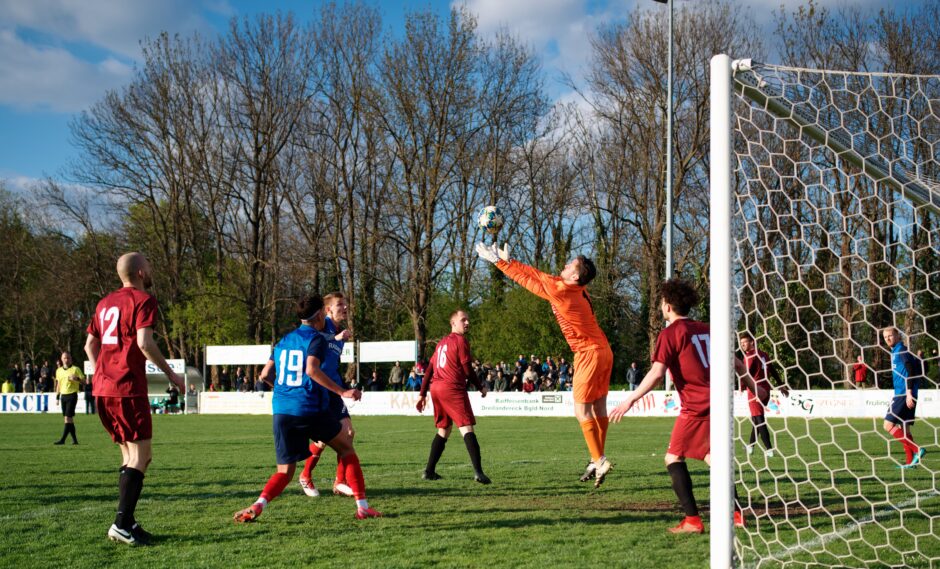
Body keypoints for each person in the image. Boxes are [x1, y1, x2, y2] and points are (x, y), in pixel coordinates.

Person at [610, 279, 759, 534]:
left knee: (673, 457)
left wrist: (630, 399)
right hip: (720, 402)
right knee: (713, 458)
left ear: (667, 306)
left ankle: (692, 520)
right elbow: (737, 364)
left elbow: (657, 373)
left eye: (660, 303)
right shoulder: (708, 328)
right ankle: (735, 514)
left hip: (696, 407)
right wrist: (758, 389)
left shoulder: (670, 334)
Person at [477, 243, 614, 487]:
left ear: (574, 275)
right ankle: (596, 458)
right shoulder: (578, 289)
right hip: (604, 350)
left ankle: (599, 459)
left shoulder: (561, 291)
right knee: (599, 407)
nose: (564, 264)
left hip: (588, 353)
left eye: (569, 264)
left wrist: (499, 263)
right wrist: (510, 261)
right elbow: (540, 278)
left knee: (581, 411)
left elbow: (531, 281)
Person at [233, 295, 380, 522]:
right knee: (347, 449)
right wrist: (342, 391)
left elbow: (264, 375)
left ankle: (258, 505)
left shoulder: (283, 340)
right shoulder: (316, 339)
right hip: (309, 408)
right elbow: (312, 370)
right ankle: (362, 507)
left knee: (284, 472)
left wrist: (285, 390)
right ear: (321, 313)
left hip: (282, 410)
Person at [84, 252, 184, 545]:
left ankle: (127, 521)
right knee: (140, 457)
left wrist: (102, 369)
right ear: (141, 272)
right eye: (149, 265)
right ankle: (120, 523)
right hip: (126, 388)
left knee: (133, 456)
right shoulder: (143, 301)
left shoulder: (104, 303)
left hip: (103, 389)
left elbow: (90, 344)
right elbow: (144, 342)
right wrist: (172, 376)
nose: (151, 270)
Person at [416, 310, 491, 484]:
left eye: (468, 320)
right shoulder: (460, 340)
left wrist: (422, 393)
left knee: (444, 430)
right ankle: (479, 473)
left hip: (436, 388)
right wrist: (480, 387)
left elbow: (429, 370)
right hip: (451, 388)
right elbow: (467, 369)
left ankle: (429, 471)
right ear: (453, 323)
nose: (467, 323)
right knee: (466, 428)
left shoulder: (441, 343)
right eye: (463, 320)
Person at [298, 292, 357, 499]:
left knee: (348, 433)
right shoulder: (323, 327)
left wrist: (346, 388)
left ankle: (339, 482)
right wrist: (335, 337)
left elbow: (332, 363)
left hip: (333, 390)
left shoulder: (338, 330)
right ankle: (305, 475)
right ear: (328, 310)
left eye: (345, 304)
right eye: (340, 305)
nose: (345, 308)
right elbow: (312, 338)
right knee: (326, 439)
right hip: (320, 391)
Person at [738, 332, 789, 458]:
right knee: (756, 419)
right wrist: (781, 385)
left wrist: (742, 386)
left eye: (745, 342)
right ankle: (750, 446)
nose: (742, 345)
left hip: (755, 390)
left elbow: (746, 373)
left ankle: (769, 449)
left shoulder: (749, 356)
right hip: (766, 390)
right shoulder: (763, 354)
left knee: (759, 420)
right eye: (741, 343)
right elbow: (772, 369)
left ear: (752, 342)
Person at [882, 327, 926, 468]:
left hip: (903, 394)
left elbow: (911, 371)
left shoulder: (901, 350)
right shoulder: (896, 351)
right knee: (905, 429)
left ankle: (917, 450)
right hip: (906, 393)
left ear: (898, 336)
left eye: (890, 336)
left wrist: (908, 393)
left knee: (887, 425)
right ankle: (910, 462)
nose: (888, 339)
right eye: (885, 337)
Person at [54, 351, 84, 445]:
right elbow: (58, 384)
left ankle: (62, 440)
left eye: (68, 358)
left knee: (68, 418)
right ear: (61, 359)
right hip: (63, 396)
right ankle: (75, 440)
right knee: (68, 419)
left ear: (71, 359)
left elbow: (84, 381)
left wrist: (77, 379)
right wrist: (57, 397)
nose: (66, 360)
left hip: (72, 395)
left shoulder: (76, 369)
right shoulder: (58, 371)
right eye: (64, 358)